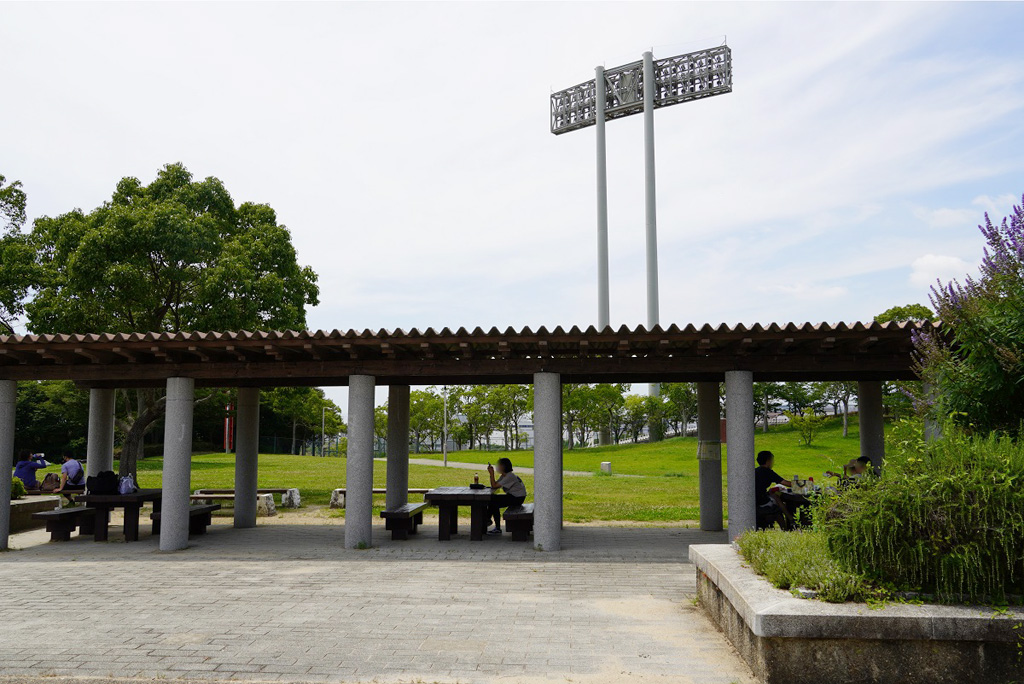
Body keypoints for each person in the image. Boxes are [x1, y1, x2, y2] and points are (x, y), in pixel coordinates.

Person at [486, 457, 527, 535]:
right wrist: (492, 476)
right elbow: (495, 485)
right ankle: (489, 521)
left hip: (517, 498)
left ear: (504, 466)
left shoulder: (509, 476)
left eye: (499, 465)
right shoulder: (505, 475)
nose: (497, 467)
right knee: (493, 500)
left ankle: (490, 521)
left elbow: (494, 486)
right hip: (515, 496)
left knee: (493, 501)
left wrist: (491, 473)